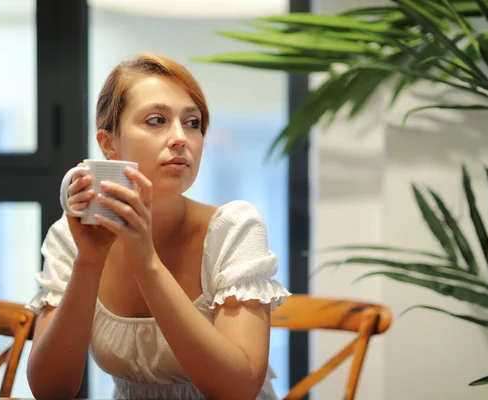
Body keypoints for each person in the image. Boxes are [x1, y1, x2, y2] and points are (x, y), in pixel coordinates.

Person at [25, 53, 291, 400]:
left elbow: (237, 390)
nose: (181, 137)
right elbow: (50, 390)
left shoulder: (234, 229)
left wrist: (146, 263)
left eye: (193, 122)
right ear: (109, 144)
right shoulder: (72, 238)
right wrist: (88, 262)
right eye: (156, 120)